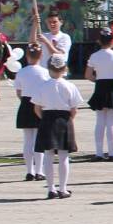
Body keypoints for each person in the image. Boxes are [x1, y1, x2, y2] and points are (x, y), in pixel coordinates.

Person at [34, 58, 83, 199]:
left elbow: (37, 108)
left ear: (49, 69)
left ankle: (51, 189)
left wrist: (43, 119)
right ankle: (63, 188)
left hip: (47, 118)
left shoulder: (42, 86)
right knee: (63, 156)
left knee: (48, 155)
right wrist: (69, 120)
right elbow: (74, 109)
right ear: (64, 69)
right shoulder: (70, 86)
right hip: (64, 118)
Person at [85, 38, 113, 160]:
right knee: (111, 122)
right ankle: (112, 152)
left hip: (100, 87)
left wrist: (98, 80)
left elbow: (88, 75)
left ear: (100, 41)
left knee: (100, 121)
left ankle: (99, 153)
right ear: (112, 41)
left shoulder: (94, 56)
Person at [13, 42, 49, 181]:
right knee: (39, 140)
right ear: (41, 55)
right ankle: (39, 170)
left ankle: (30, 171)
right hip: (40, 104)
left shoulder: (21, 72)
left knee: (27, 140)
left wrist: (24, 100)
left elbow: (18, 91)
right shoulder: (45, 72)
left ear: (27, 55)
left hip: (26, 103)